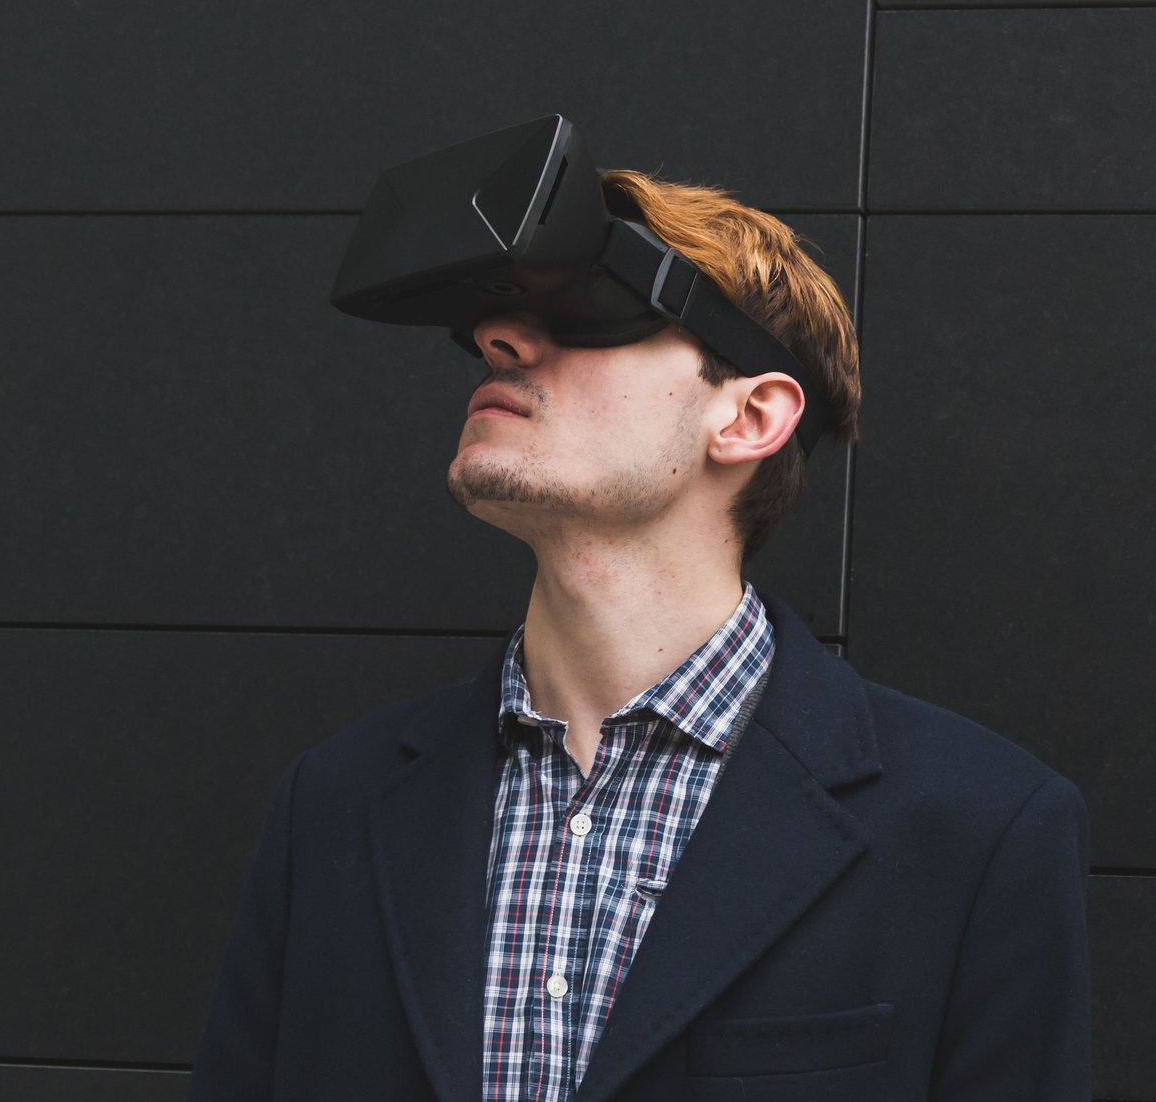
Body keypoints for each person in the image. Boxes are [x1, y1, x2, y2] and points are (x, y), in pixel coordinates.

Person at [187, 168, 1092, 1101]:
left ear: (747, 417)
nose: (499, 340)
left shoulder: (980, 830)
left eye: (589, 305)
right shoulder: (334, 802)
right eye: (491, 319)